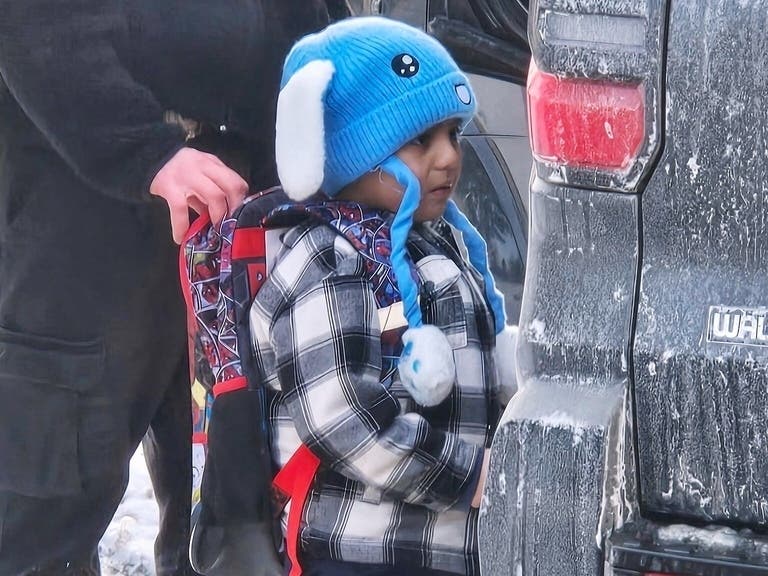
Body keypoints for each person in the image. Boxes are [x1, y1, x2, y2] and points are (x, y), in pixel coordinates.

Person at [0, 2, 335, 574]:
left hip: (244, 224)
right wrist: (145, 150)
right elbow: (32, 23)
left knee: (228, 520)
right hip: (83, 232)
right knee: (45, 522)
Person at [249, 17, 519, 576]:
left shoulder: (438, 241)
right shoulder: (328, 258)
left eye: (453, 135)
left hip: (444, 547)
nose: (447, 157)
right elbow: (339, 416)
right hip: (361, 551)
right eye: (421, 139)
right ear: (356, 151)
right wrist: (467, 476)